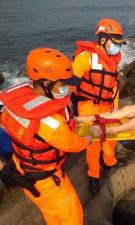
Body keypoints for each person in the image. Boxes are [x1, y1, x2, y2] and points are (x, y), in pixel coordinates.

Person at [0, 48, 91, 225]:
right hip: (49, 181)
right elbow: (73, 144)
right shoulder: (49, 121)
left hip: (23, 169)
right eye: (62, 84)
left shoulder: (12, 101)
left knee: (51, 216)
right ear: (46, 83)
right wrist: (87, 138)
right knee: (72, 217)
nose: (68, 88)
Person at [71, 18, 126, 195]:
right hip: (88, 106)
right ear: (102, 39)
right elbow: (70, 85)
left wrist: (115, 107)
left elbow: (114, 85)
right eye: (115, 42)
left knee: (112, 135)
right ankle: (93, 174)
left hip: (107, 105)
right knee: (93, 144)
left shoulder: (114, 59)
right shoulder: (84, 57)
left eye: (119, 42)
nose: (118, 46)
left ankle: (109, 161)